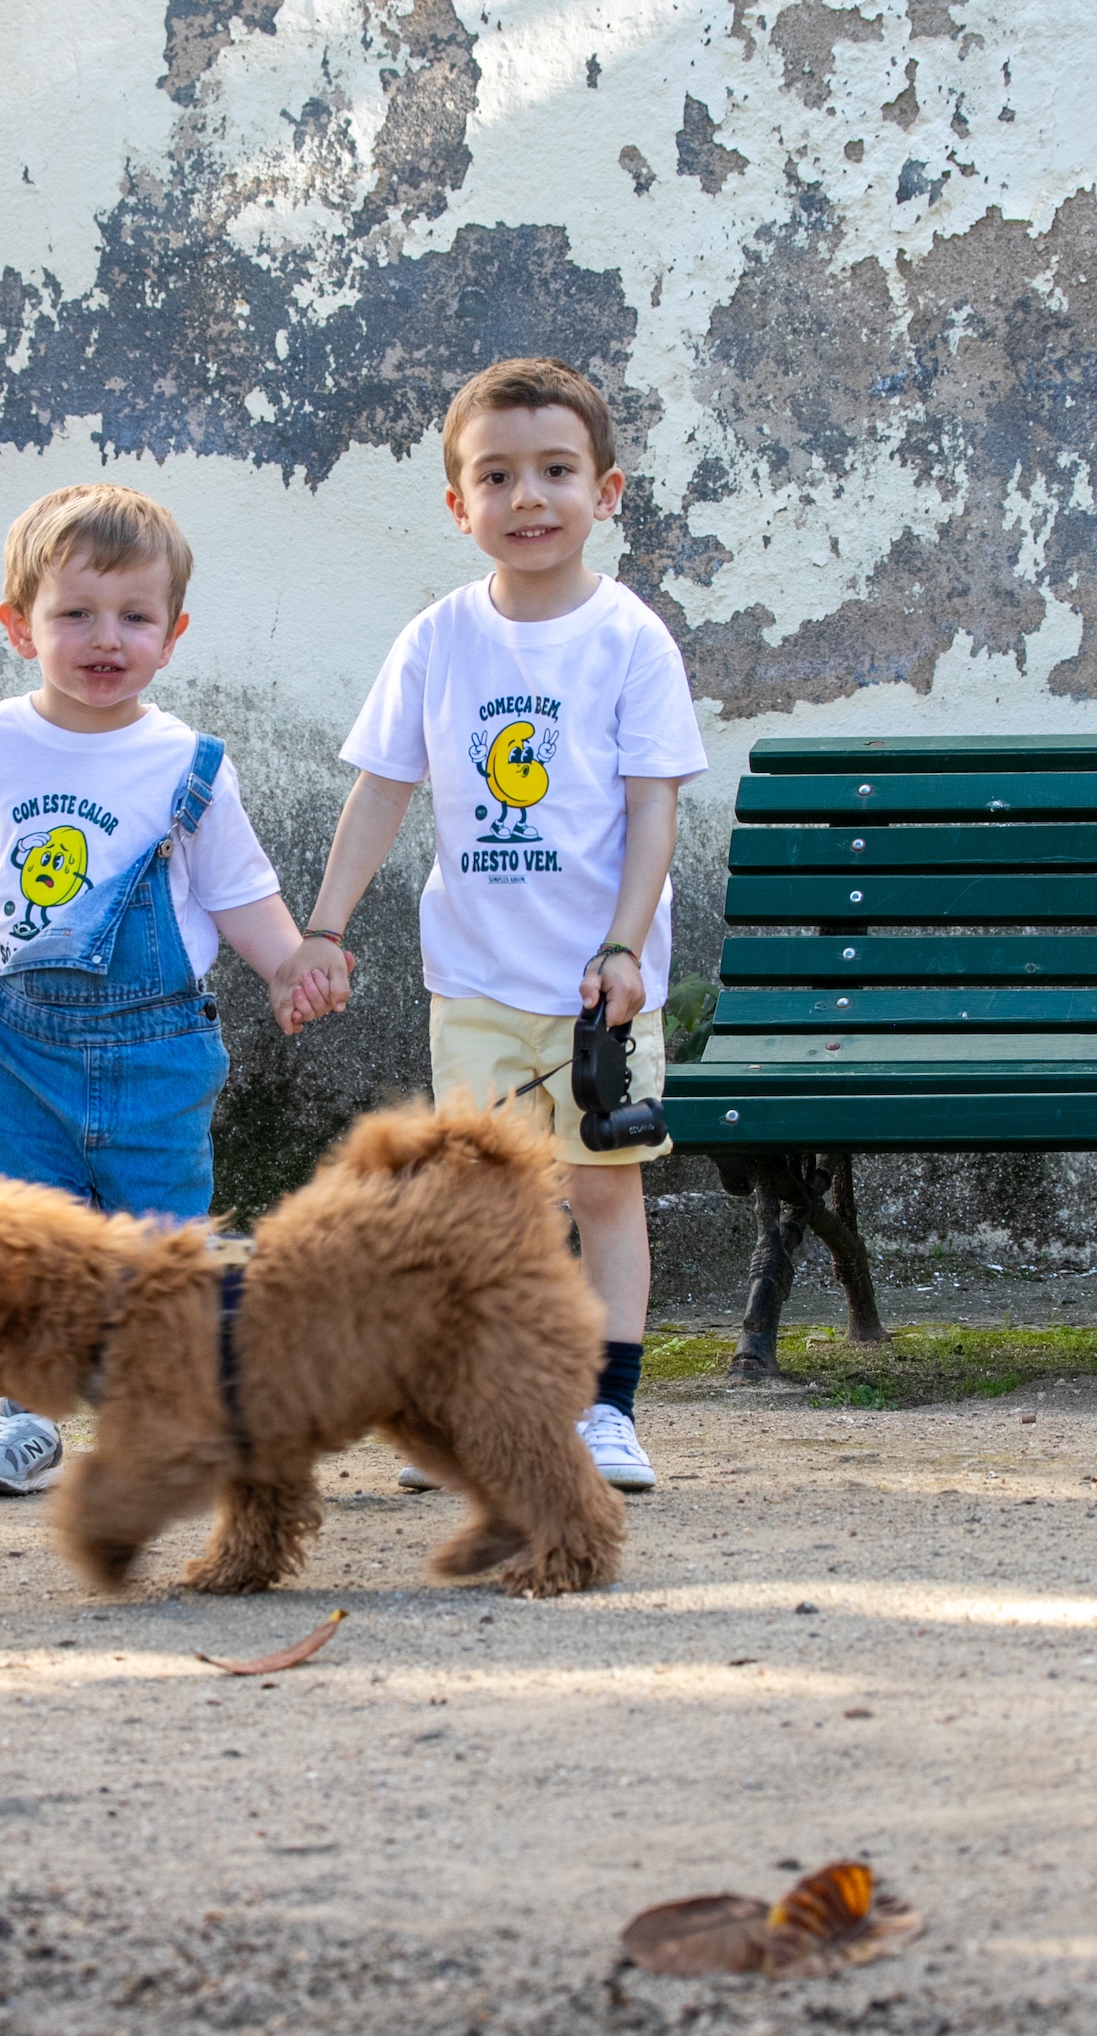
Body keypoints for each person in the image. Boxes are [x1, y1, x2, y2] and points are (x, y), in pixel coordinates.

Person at [271, 358, 707, 1492]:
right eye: (497, 476)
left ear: (605, 492)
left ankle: (605, 1410)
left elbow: (655, 813)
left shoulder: (631, 640)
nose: (528, 498)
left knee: (603, 1188)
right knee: (476, 1206)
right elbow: (381, 790)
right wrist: (322, 926)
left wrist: (623, 950)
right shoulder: (437, 639)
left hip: (597, 990)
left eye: (556, 471)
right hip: (472, 981)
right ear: (458, 506)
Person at [0, 483, 307, 1496]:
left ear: (172, 635)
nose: (106, 638)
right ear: (19, 626)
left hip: (156, 1050)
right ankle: (26, 1418)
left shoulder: (187, 765)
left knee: (162, 1245)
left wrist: (291, 963)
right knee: (10, 1228)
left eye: (135, 617)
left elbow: (238, 891)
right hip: (14, 1041)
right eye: (75, 614)